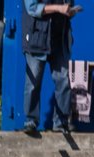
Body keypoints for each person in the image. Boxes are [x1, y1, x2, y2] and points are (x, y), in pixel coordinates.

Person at [22, 0, 82, 133]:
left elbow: (67, 7)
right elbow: (32, 8)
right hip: (37, 38)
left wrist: (70, 12)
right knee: (33, 82)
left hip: (59, 40)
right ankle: (30, 120)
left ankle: (60, 122)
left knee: (64, 81)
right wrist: (59, 8)